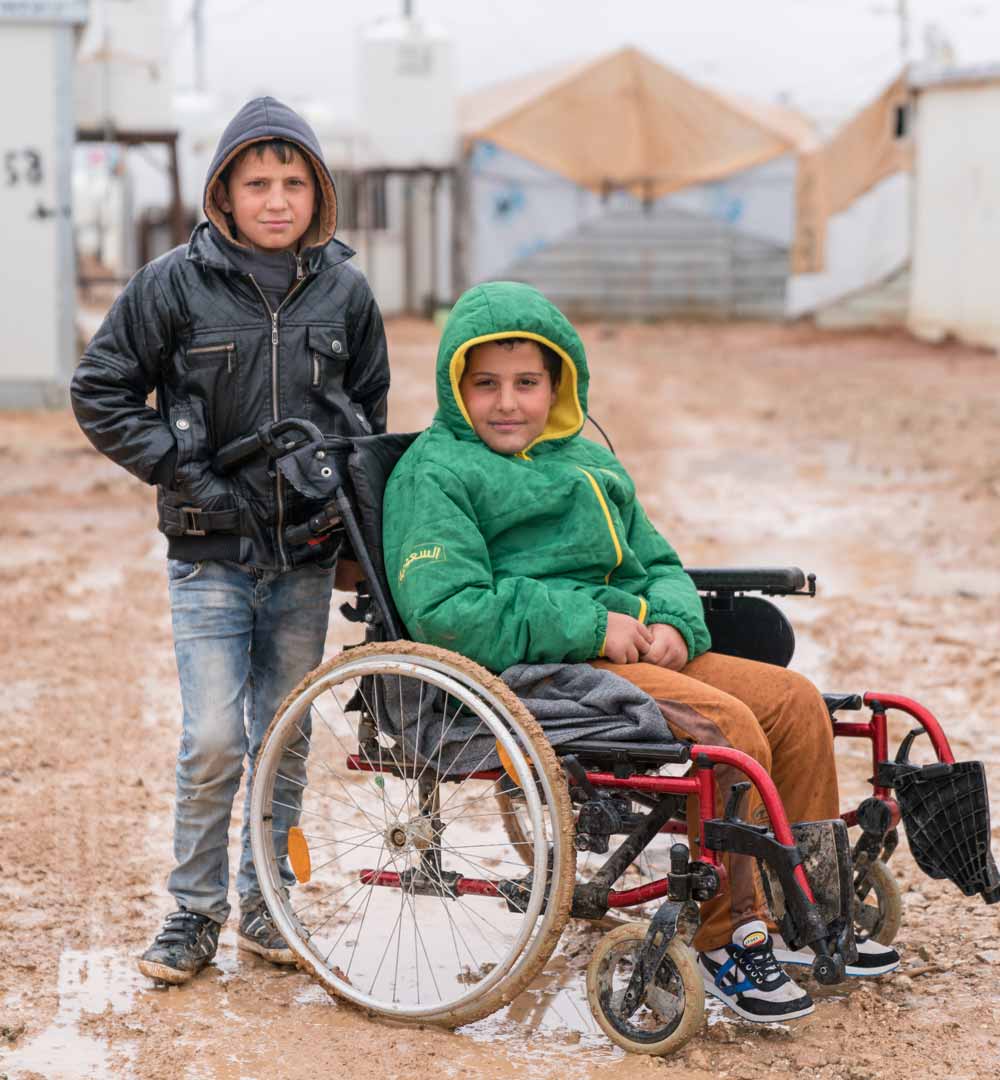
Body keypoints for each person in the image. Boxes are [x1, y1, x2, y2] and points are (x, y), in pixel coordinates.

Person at [382, 281, 898, 1024]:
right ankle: (726, 936)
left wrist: (672, 627)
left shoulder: (589, 464)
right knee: (730, 731)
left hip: (626, 651)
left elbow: (656, 565)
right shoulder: (434, 474)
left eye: (527, 383)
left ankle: (805, 906)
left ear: (558, 385)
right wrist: (594, 625)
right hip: (536, 664)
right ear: (454, 386)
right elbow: (449, 613)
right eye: (485, 383)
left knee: (794, 703)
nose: (507, 403)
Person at [70, 97, 389, 985]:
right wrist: (185, 473)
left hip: (305, 558)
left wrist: (350, 518)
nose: (276, 198)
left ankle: (266, 901)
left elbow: (367, 417)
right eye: (258, 182)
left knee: (281, 738)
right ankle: (191, 912)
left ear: (317, 191)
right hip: (210, 550)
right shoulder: (173, 283)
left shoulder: (346, 291)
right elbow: (99, 390)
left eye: (293, 182)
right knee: (214, 737)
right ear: (224, 191)